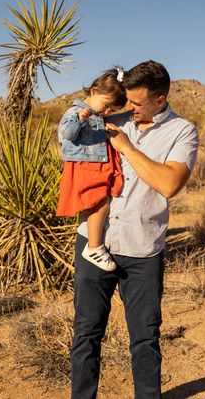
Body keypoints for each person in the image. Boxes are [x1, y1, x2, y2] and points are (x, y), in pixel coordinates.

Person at [70, 60, 199, 398]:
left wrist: (127, 147)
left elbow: (169, 183)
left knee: (144, 338)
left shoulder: (182, 132)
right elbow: (71, 143)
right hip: (94, 243)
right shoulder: (113, 116)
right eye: (127, 100)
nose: (129, 108)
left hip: (142, 251)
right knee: (86, 333)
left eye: (137, 104)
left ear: (160, 99)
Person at [56, 67, 127, 271]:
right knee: (99, 203)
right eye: (106, 106)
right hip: (85, 166)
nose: (107, 113)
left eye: (112, 111)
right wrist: (80, 119)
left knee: (102, 201)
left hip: (95, 164)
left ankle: (94, 243)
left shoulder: (97, 115)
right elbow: (66, 135)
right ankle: (93, 246)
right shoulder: (75, 112)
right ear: (94, 91)